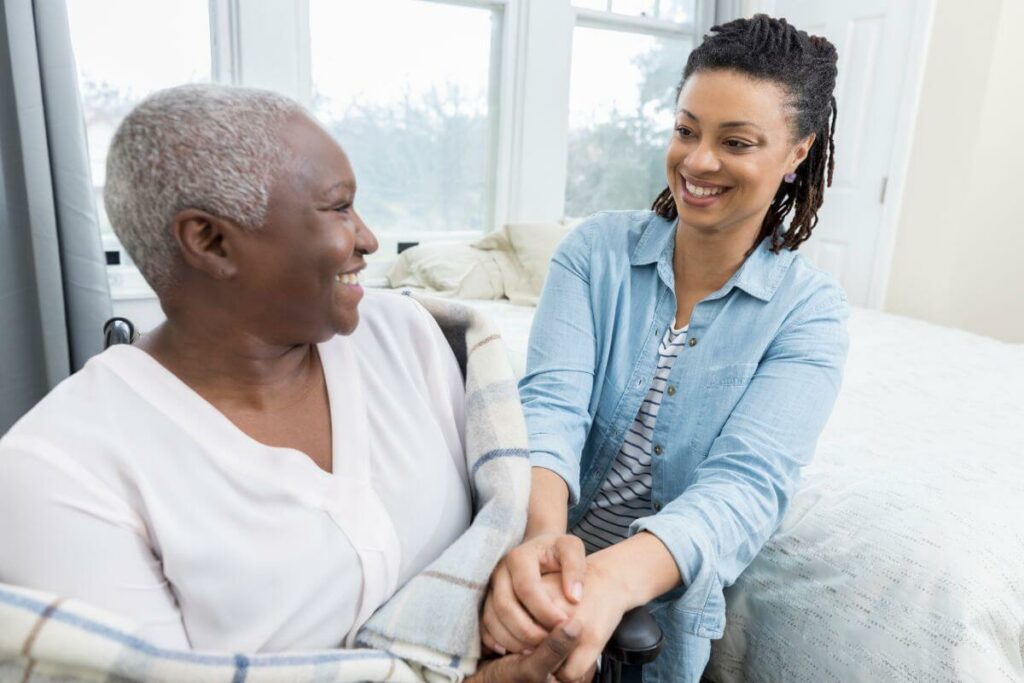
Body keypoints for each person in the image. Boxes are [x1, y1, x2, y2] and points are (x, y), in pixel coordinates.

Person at [0, 84, 573, 682]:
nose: (369, 239)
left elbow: (493, 544)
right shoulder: (57, 472)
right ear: (211, 241)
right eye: (338, 207)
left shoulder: (406, 336)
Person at [482, 15, 850, 682]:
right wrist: (540, 545)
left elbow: (744, 488)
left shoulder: (810, 313)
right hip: (525, 568)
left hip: (649, 616)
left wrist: (610, 582)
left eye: (735, 141)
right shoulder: (594, 253)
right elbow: (550, 407)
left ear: (798, 151)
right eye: (686, 130)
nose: (698, 161)